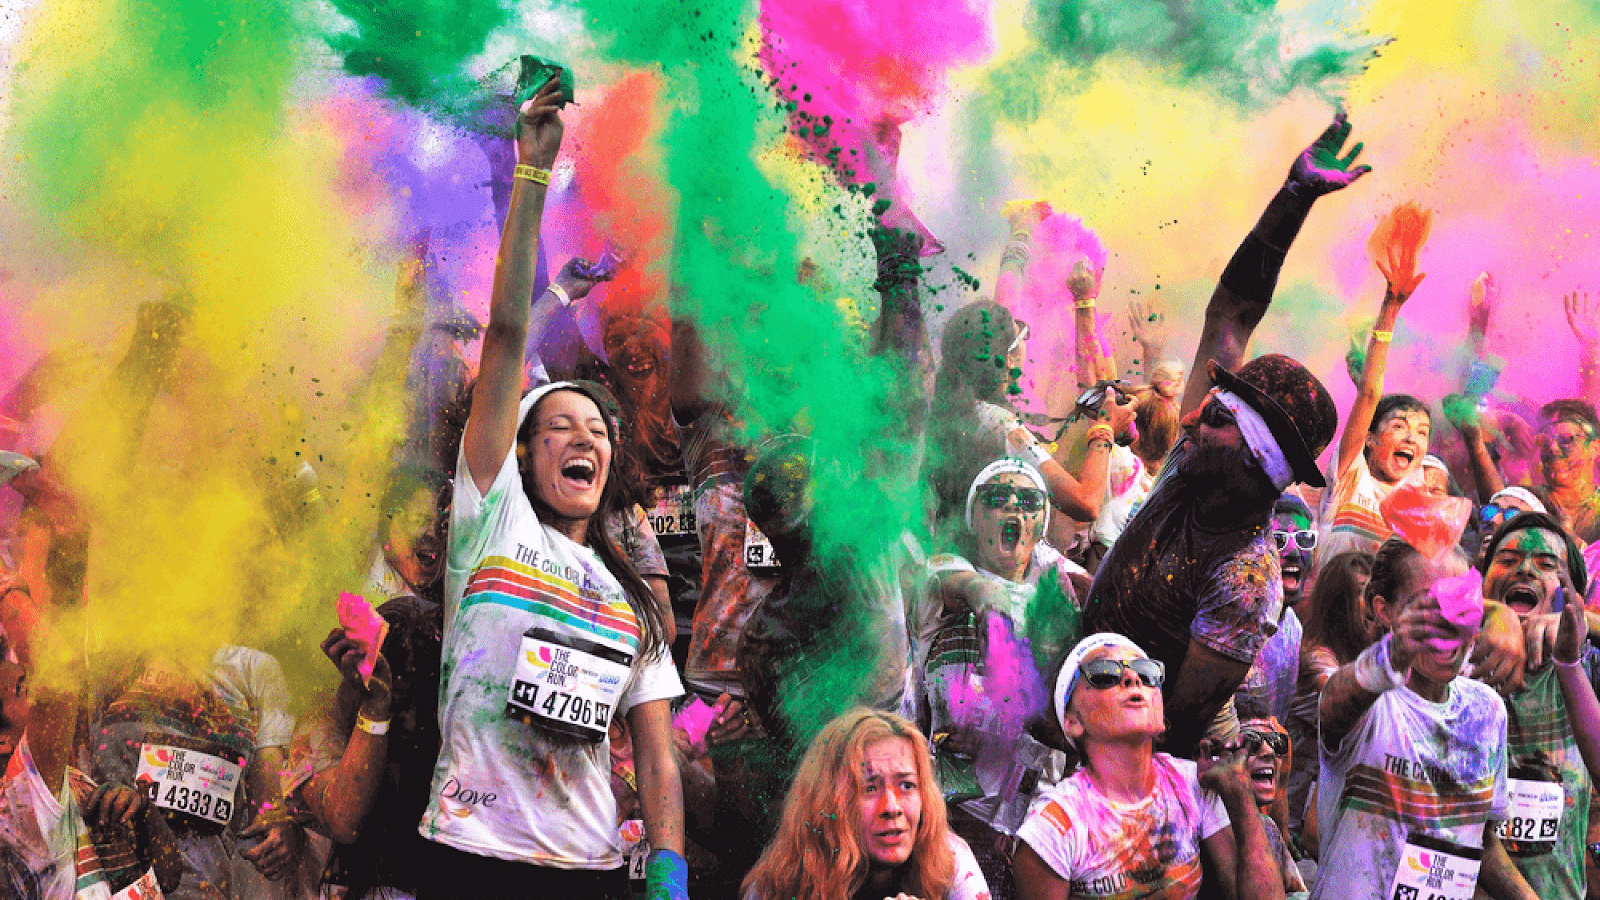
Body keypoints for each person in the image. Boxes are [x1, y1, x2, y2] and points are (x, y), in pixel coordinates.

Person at [415, 78, 684, 899]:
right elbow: (503, 338)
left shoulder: (629, 595)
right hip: (468, 856)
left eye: (600, 431)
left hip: (587, 871)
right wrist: (532, 173)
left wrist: (669, 862)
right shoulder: (490, 523)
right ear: (524, 453)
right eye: (562, 425)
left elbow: (657, 754)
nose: (586, 439)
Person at [1079, 114, 1361, 757]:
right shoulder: (1197, 460)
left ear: (1259, 464)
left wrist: (1086, 763)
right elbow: (1232, 313)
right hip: (1083, 705)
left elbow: (1174, 724)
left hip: (1133, 757)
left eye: (1218, 418)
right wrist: (1291, 201)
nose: (1192, 419)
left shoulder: (1244, 575)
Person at [1313, 542, 1535, 900]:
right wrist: (1395, 652)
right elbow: (1336, 703)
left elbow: (1480, 839)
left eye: (1460, 605)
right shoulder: (1370, 702)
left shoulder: (1486, 710)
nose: (1445, 623)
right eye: (1426, 607)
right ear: (1383, 610)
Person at [1012, 634, 1284, 900]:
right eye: (1105, 674)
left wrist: (1238, 793)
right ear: (1071, 722)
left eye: (1147, 673)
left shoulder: (1193, 784)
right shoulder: (1054, 828)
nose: (1132, 679)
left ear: (1161, 715)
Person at [740, 708, 990, 900]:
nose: (891, 807)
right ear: (827, 803)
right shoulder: (778, 885)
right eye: (868, 788)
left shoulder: (949, 861)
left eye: (906, 786)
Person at [1478, 512, 1600, 898]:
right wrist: (1493, 616)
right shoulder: (1451, 663)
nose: (1526, 570)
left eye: (1547, 565)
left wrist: (1569, 660)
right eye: (1508, 560)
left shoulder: (1588, 665)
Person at [1319, 238, 1431, 560]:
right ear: (1369, 439)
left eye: (1423, 432)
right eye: (1399, 425)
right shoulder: (1350, 477)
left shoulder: (1419, 504)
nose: (1412, 436)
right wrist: (1390, 310)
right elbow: (1369, 396)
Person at [1283, 550, 1374, 840]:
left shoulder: (1359, 650)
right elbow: (1343, 696)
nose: (1373, 604)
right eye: (1362, 593)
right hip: (1291, 812)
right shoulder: (1317, 654)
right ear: (1338, 604)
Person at [1232, 710, 1308, 899]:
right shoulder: (1206, 828)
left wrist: (1283, 838)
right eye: (1251, 743)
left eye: (1276, 742)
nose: (1269, 752)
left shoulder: (1267, 829)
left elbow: (1297, 893)